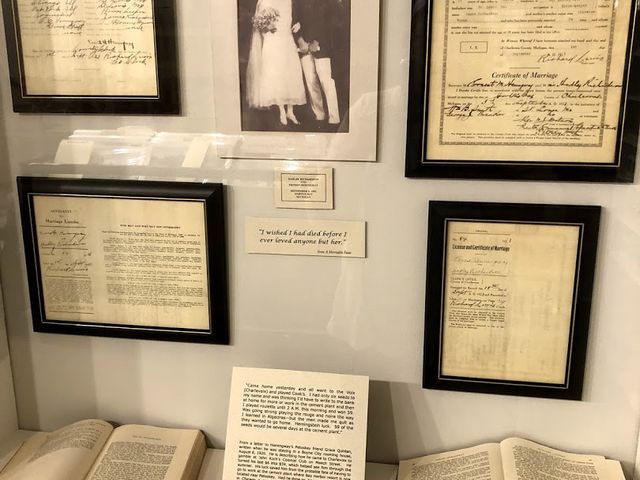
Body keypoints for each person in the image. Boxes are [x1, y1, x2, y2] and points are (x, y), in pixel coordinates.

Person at [246, 0, 307, 125]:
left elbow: (297, 16)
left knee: (290, 73)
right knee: (277, 74)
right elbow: (259, 25)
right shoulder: (265, 1)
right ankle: (281, 110)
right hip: (273, 42)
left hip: (288, 40)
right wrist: (267, 27)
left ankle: (290, 111)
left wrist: (299, 24)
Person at [292, 0, 342, 125]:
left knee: (326, 81)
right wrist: (300, 41)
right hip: (304, 47)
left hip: (322, 45)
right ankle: (319, 116)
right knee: (311, 82)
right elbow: (294, 20)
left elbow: (331, 22)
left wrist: (317, 41)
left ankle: (334, 118)